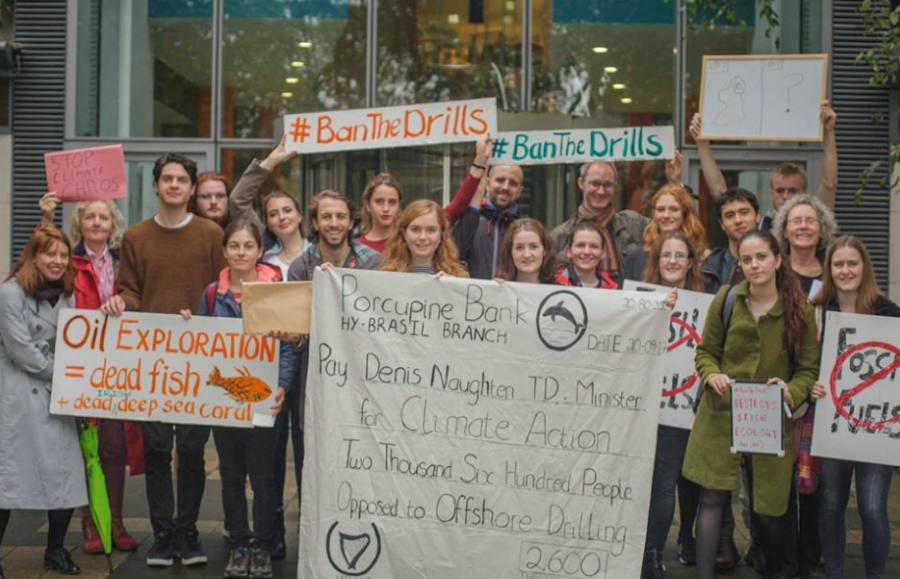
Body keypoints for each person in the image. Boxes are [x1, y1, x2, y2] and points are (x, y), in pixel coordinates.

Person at [101, 153, 227, 568]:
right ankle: (162, 536)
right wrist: (122, 302)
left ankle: (187, 532)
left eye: (181, 179)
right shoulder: (136, 237)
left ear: (191, 189)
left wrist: (204, 313)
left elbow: (222, 288)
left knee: (191, 450)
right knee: (156, 449)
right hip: (151, 359)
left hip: (199, 359)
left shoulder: (210, 233)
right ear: (156, 185)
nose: (174, 185)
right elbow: (131, 289)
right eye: (167, 178)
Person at [683, 230, 820, 579]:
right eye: (746, 259)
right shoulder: (727, 299)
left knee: (767, 511)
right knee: (711, 500)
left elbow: (807, 370)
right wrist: (712, 374)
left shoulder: (800, 309)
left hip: (768, 421)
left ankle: (773, 569)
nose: (754, 265)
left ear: (778, 259)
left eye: (761, 257)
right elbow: (705, 352)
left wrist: (791, 390)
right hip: (720, 414)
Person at [179, 219, 294, 579]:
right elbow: (200, 345)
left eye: (248, 246)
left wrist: (283, 386)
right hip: (225, 404)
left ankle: (262, 547)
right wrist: (188, 323)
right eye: (234, 246)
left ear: (260, 251)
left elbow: (288, 347)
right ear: (225, 251)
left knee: (263, 479)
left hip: (264, 402)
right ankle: (239, 545)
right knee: (231, 478)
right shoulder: (213, 294)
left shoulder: (276, 290)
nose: (241, 252)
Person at [38, 194, 144, 554]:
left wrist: (125, 301)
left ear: (113, 225)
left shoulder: (123, 260)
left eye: (104, 217)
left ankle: (115, 522)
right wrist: (47, 219)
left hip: (117, 364)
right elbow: (39, 262)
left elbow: (136, 295)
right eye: (90, 217)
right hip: (80, 363)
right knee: (87, 447)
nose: (97, 222)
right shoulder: (68, 260)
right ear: (79, 224)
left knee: (115, 446)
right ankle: (91, 523)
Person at [808, 236, 899, 579]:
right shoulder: (817, 311)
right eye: (838, 264)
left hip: (877, 429)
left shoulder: (888, 312)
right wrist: (811, 385)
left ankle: (875, 575)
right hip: (832, 423)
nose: (845, 271)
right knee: (831, 503)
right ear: (829, 269)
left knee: (873, 508)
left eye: (852, 263)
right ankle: (834, 572)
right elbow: (803, 363)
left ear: (864, 268)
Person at [0, 227, 88, 577]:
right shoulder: (10, 292)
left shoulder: (67, 293)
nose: (57, 260)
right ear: (33, 256)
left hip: (56, 392)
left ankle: (55, 550)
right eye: (50, 253)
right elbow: (20, 349)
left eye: (63, 255)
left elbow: (72, 339)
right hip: (19, 392)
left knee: (64, 473)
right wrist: (62, 375)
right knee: (8, 476)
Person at [641, 230, 706, 579]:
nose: (673, 261)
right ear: (657, 260)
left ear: (691, 263)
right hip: (638, 405)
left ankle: (652, 553)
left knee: (664, 482)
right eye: (667, 254)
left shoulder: (706, 306)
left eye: (680, 255)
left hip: (678, 409)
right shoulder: (638, 299)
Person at [691, 100, 838, 230]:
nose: (786, 196)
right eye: (780, 191)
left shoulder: (813, 223)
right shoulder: (759, 225)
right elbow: (720, 192)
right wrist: (702, 143)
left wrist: (829, 132)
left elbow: (829, 184)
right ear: (771, 194)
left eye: (793, 191)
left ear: (804, 194)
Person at [550, 155, 684, 286]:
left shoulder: (634, 224)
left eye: (607, 185)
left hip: (631, 301)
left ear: (615, 187)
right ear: (581, 183)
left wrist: (674, 182)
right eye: (595, 183)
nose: (601, 191)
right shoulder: (560, 236)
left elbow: (676, 231)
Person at [453, 156, 523, 280]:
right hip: (470, 292)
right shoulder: (468, 220)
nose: (505, 187)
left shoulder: (523, 230)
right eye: (500, 180)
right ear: (487, 184)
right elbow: (453, 256)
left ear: (519, 191)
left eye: (513, 183)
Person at [622, 184, 708, 281]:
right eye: (661, 209)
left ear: (685, 213)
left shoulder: (704, 257)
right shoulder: (636, 259)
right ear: (654, 214)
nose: (666, 215)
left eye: (674, 209)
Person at [772, 194, 838, 296]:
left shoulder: (832, 272)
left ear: (822, 230)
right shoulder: (774, 271)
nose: (803, 226)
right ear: (784, 231)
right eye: (796, 221)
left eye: (810, 221)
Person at [382, 200, 468, 276]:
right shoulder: (386, 275)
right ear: (404, 234)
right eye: (415, 229)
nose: (422, 237)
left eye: (431, 230)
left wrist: (452, 286)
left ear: (441, 234)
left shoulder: (459, 277)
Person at [701, 187, 760, 293]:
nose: (738, 220)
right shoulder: (707, 268)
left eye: (744, 212)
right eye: (730, 216)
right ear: (721, 224)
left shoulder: (776, 262)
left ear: (757, 216)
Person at [554, 221, 617, 288]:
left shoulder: (613, 290)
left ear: (603, 253)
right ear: (569, 251)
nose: (587, 252)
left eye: (594, 246)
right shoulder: (552, 284)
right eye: (580, 245)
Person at [494, 218, 558, 284]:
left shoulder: (559, 289)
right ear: (510, 252)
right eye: (519, 247)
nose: (527, 254)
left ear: (545, 250)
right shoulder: (499, 287)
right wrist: (494, 289)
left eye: (533, 246)